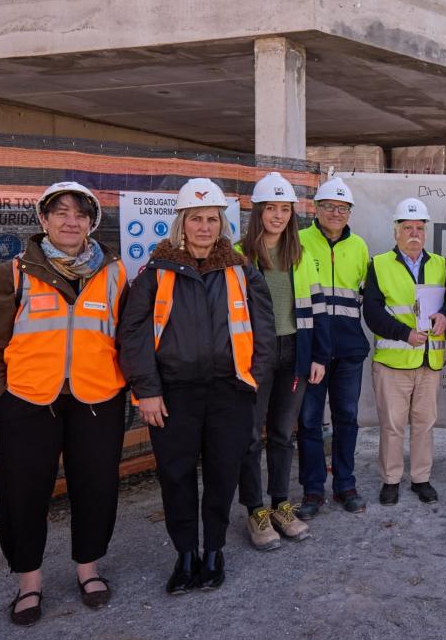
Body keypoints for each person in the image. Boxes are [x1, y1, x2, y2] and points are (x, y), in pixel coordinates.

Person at [0, 181, 126, 625]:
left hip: (97, 397)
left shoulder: (114, 273)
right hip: (29, 400)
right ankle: (29, 582)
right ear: (43, 221)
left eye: (80, 214)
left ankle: (88, 570)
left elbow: (124, 335)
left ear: (92, 222)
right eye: (61, 213)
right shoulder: (14, 273)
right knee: (24, 493)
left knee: (96, 486)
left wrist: (127, 382)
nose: (70, 221)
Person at [117, 178, 275, 594]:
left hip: (230, 393)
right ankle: (185, 553)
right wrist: (147, 390)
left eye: (211, 219)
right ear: (181, 224)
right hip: (172, 395)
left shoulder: (242, 271)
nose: (204, 227)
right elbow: (133, 336)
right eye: (195, 219)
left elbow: (264, 333)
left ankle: (214, 551)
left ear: (222, 224)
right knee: (176, 475)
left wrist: (251, 383)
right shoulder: (155, 274)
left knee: (223, 474)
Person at [235, 172, 316, 548]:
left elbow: (317, 312)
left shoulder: (302, 257)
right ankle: (256, 510)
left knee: (283, 434)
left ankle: (281, 503)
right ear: (258, 212)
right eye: (272, 208)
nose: (279, 216)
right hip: (255, 358)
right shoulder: (239, 256)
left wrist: (315, 355)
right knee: (250, 436)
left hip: (295, 353)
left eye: (285, 209)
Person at [361, 198, 446, 505]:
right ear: (396, 232)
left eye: (419, 228)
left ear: (426, 232)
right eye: (408, 227)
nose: (414, 233)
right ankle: (391, 479)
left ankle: (421, 479)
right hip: (393, 362)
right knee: (393, 425)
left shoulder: (439, 264)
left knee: (424, 424)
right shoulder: (380, 264)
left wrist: (445, 315)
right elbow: (371, 312)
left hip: (429, 360)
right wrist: (403, 333)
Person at [296, 176, 371, 517]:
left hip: (349, 350)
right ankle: (312, 491)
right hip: (312, 350)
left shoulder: (359, 247)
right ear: (316, 208)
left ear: (349, 212)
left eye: (342, 208)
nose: (336, 213)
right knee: (309, 421)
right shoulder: (297, 242)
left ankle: (345, 485)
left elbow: (361, 295)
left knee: (347, 418)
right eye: (329, 207)